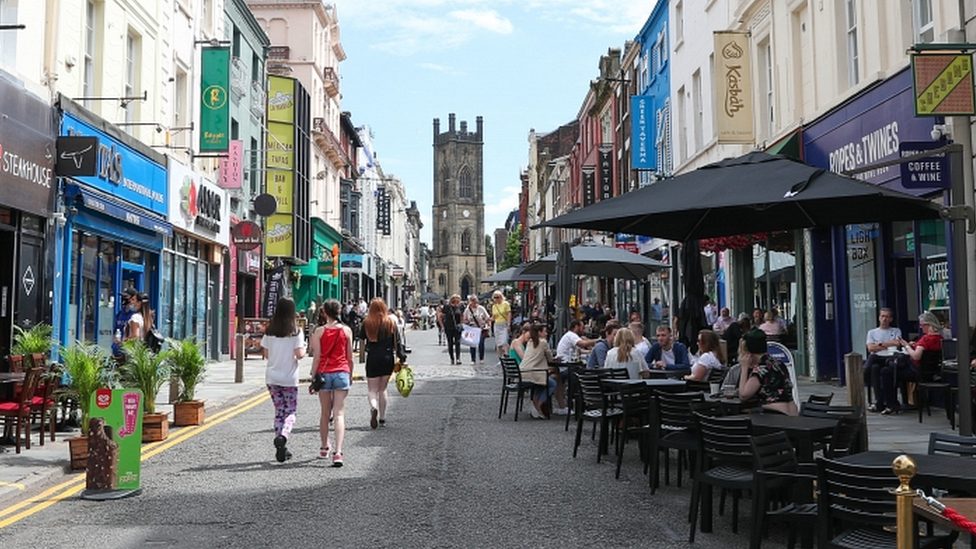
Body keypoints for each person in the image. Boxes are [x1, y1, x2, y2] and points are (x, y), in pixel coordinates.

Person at [306, 299, 351, 466]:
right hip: (342, 372)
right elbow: (349, 357)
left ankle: (324, 448)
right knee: (339, 414)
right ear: (339, 312)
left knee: (325, 413)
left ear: (324, 312)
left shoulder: (318, 331)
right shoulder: (347, 330)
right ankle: (338, 453)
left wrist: (313, 376)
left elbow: (317, 357)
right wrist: (350, 374)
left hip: (324, 374)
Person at [261, 297, 307, 463]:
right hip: (289, 378)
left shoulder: (270, 330)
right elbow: (300, 355)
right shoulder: (296, 331)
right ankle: (284, 436)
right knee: (291, 412)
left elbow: (265, 354)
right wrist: (305, 348)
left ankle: (281, 447)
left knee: (279, 411)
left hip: (272, 377)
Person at [876, 312, 943, 415]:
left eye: (922, 325)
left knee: (886, 371)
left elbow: (916, 356)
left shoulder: (926, 339)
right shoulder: (939, 338)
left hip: (917, 371)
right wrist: (914, 344)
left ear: (928, 324)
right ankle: (888, 403)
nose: (921, 327)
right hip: (932, 372)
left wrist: (906, 346)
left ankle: (891, 404)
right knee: (888, 370)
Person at [361, 298, 404, 429]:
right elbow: (398, 342)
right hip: (387, 357)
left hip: (373, 356)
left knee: (372, 389)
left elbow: (361, 338)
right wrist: (402, 359)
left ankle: (373, 407)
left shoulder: (367, 322)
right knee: (383, 389)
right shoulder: (390, 322)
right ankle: (382, 418)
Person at [737, 329, 798, 415]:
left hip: (774, 415)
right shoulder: (779, 363)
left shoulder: (761, 369)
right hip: (792, 412)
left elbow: (743, 395)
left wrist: (744, 368)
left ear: (749, 353)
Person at [864, 308, 903, 411]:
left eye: (887, 317)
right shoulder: (872, 332)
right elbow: (870, 348)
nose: (884, 319)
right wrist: (888, 344)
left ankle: (863, 373)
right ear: (879, 318)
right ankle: (879, 402)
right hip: (877, 359)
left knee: (873, 359)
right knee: (875, 367)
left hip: (890, 359)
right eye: (882, 316)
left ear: (891, 319)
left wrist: (880, 344)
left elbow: (898, 343)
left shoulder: (896, 331)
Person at [519, 323, 557, 419]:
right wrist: (554, 358)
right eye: (545, 331)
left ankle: (536, 400)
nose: (547, 333)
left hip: (523, 373)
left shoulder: (530, 342)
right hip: (533, 373)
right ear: (539, 332)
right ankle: (539, 403)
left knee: (542, 380)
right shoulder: (543, 342)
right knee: (552, 383)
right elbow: (550, 359)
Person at [112, 287, 139, 361]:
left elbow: (135, 336)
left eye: (126, 297)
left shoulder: (135, 315)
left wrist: (123, 343)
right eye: (122, 297)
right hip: (117, 351)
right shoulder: (120, 313)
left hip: (129, 352)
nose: (123, 299)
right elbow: (116, 331)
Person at [462, 295, 490, 364]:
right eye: (473, 301)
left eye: (475, 301)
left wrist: (489, 326)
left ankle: (481, 358)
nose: (474, 303)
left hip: (480, 329)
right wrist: (468, 322)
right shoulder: (467, 309)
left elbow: (487, 318)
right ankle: (473, 359)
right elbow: (463, 319)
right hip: (472, 329)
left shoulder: (481, 308)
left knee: (481, 343)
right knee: (472, 344)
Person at [441, 295, 463, 364]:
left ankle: (458, 359)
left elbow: (462, 316)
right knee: (450, 343)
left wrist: (462, 324)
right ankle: (452, 359)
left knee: (458, 342)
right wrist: (442, 326)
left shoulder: (460, 306)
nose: (459, 301)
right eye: (458, 299)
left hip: (457, 327)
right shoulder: (447, 307)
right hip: (449, 327)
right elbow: (440, 316)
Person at [490, 290, 512, 359]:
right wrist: (488, 320)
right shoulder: (494, 306)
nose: (496, 299)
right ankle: (500, 358)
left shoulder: (506, 304)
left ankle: (506, 356)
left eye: (497, 297)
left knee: (504, 341)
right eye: (494, 297)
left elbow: (509, 314)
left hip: (504, 324)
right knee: (498, 343)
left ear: (501, 297)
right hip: (497, 325)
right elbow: (493, 317)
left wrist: (508, 324)